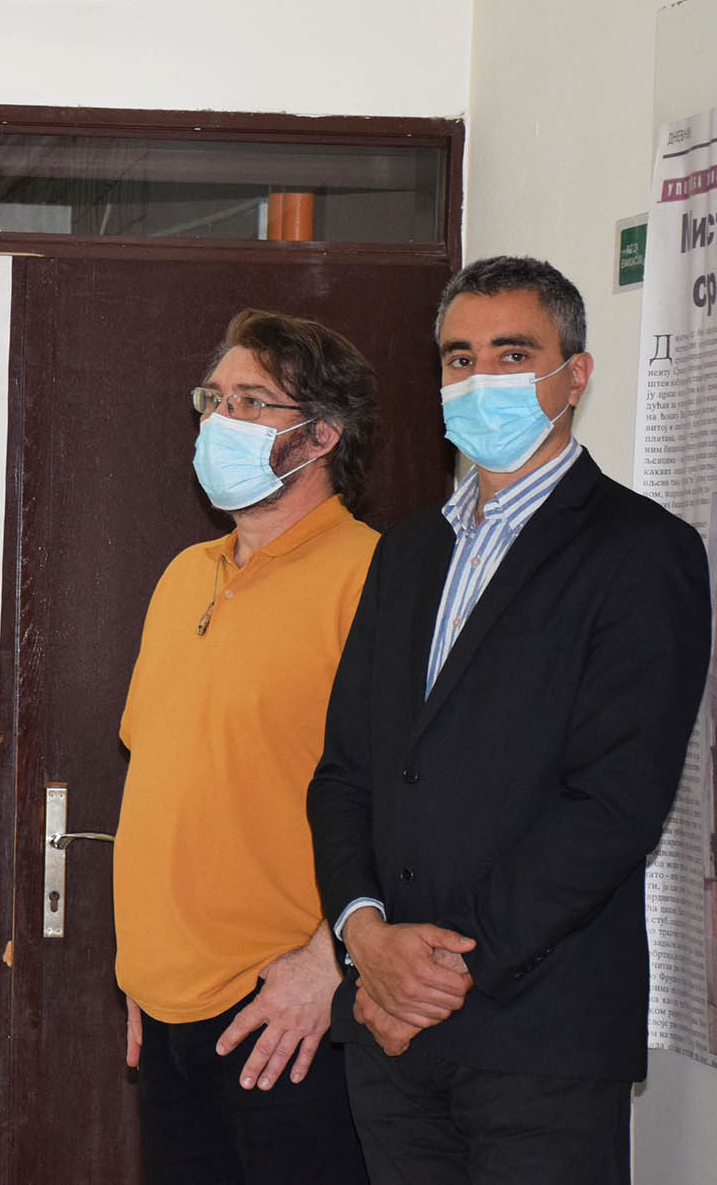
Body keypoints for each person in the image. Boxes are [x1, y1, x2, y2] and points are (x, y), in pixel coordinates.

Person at [308, 256, 710, 1183]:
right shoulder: (407, 551)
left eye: (512, 354)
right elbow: (347, 772)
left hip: (540, 1039)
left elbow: (614, 805)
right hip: (390, 1034)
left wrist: (441, 971)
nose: (479, 378)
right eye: (460, 358)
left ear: (576, 375)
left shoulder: (643, 552)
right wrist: (365, 938)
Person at [115, 309, 378, 1183]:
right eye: (214, 399)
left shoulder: (377, 578)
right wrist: (146, 975)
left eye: (252, 401)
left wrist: (329, 963)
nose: (220, 420)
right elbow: (161, 778)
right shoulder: (184, 574)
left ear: (323, 435)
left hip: (288, 1016)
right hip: (167, 1016)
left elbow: (411, 805)